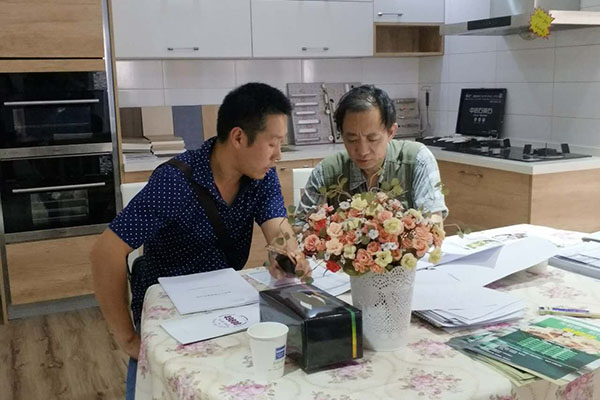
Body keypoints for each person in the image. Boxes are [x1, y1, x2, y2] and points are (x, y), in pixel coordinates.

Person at [90, 82, 309, 399]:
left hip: (224, 305)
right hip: (169, 311)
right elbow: (105, 252)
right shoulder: (175, 182)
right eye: (272, 143)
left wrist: (286, 254)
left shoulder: (261, 176)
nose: (278, 155)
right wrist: (127, 338)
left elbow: (278, 227)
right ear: (238, 137)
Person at [297, 85, 447, 220]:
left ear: (391, 132)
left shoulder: (417, 160)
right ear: (341, 135)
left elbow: (433, 222)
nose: (363, 151)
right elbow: (299, 226)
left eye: (372, 139)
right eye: (352, 139)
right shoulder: (327, 170)